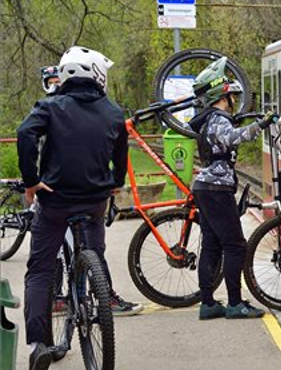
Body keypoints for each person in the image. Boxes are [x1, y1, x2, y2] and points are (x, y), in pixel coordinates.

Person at [17, 46, 140, 370]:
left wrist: (31, 181)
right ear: (97, 75)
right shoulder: (113, 111)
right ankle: (94, 292)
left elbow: (25, 133)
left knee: (40, 270)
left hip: (55, 201)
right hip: (95, 200)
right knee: (94, 253)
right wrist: (115, 181)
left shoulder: (51, 106)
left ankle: (38, 344)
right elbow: (121, 154)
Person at [188, 57, 271, 320]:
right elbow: (233, 137)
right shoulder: (219, 118)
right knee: (235, 245)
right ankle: (235, 303)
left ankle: (208, 303)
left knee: (212, 244)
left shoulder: (206, 119)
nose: (233, 100)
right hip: (217, 188)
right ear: (224, 96)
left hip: (204, 186)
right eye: (231, 95)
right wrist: (261, 125)